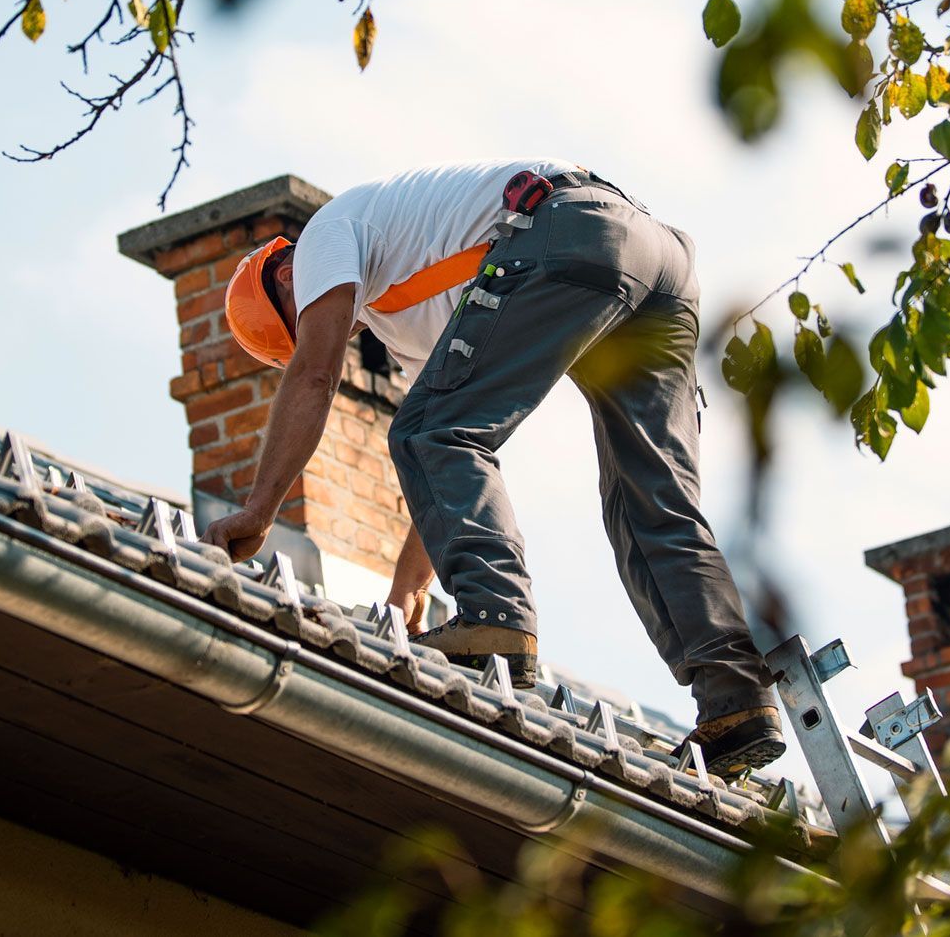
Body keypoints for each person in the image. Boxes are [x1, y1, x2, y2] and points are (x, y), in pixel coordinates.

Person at [204, 159, 785, 778]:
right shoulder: (409, 310)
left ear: (285, 276)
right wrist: (409, 592)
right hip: (657, 262)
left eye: (300, 318)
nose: (325, 328)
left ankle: (497, 618)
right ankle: (736, 699)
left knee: (429, 430)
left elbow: (319, 379)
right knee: (649, 500)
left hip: (567, 229)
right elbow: (445, 458)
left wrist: (258, 512)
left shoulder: (323, 235)